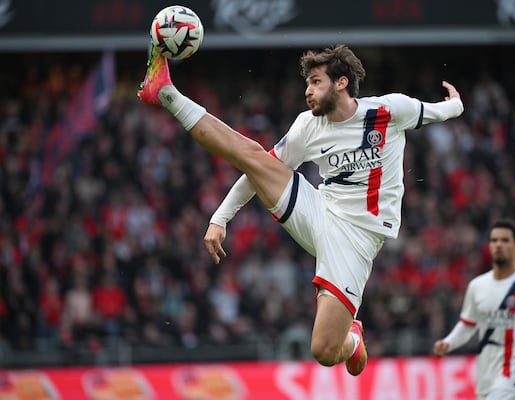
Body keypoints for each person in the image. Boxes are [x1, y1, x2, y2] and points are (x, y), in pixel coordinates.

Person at [138, 44, 464, 375]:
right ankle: (166, 92)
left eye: (315, 82)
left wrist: (456, 102)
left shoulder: (390, 110)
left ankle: (352, 339)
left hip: (357, 240)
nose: (307, 91)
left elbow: (443, 111)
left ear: (340, 83)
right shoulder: (307, 125)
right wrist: (220, 217)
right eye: (306, 83)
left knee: (324, 350)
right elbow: (258, 168)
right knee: (255, 155)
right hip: (319, 211)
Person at [432, 218, 515, 399]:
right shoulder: (478, 286)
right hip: (485, 375)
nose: (499, 245)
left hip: (513, 373)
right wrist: (448, 342)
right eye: (494, 240)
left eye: (505, 240)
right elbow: (468, 324)